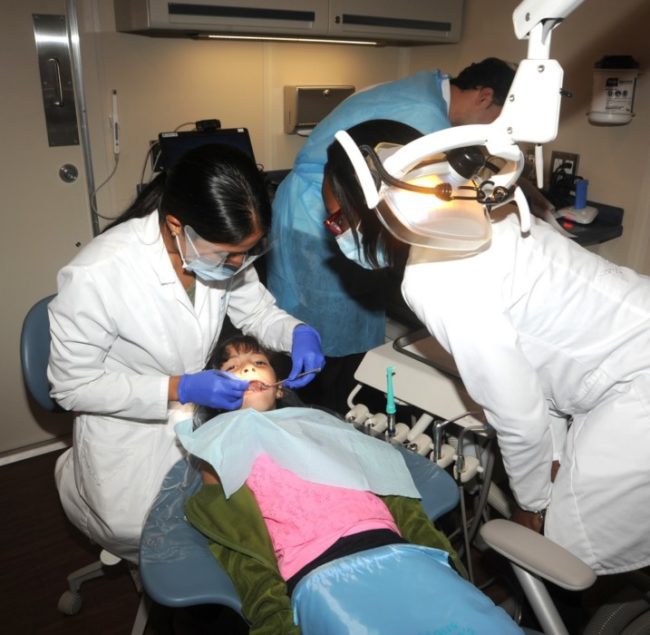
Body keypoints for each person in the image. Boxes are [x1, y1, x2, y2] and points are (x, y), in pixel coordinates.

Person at [322, 120, 650, 576]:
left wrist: (532, 505)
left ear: (374, 205)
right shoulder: (491, 213)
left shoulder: (433, 278)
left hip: (636, 383)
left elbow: (518, 413)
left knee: (567, 550)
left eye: (338, 220)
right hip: (624, 356)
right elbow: (536, 369)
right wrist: (552, 461)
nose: (336, 235)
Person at [47, 144, 325, 561]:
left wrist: (298, 332)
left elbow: (257, 311)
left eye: (246, 252)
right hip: (129, 434)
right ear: (177, 226)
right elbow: (71, 387)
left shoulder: (217, 250)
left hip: (196, 424)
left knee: (225, 518)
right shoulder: (97, 275)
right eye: (227, 254)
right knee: (150, 535)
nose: (238, 264)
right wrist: (180, 387)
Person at [176, 335, 523, 634]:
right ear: (216, 393)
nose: (248, 369)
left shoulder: (321, 426)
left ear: (280, 387)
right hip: (321, 574)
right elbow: (233, 528)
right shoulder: (219, 447)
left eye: (258, 362)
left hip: (397, 550)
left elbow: (384, 480)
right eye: (232, 367)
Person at [267, 58, 516, 414]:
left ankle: (326, 406)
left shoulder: (422, 86)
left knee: (336, 336)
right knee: (320, 337)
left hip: (321, 205)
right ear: (485, 96)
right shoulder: (425, 118)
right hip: (321, 213)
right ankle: (315, 411)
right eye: (495, 119)